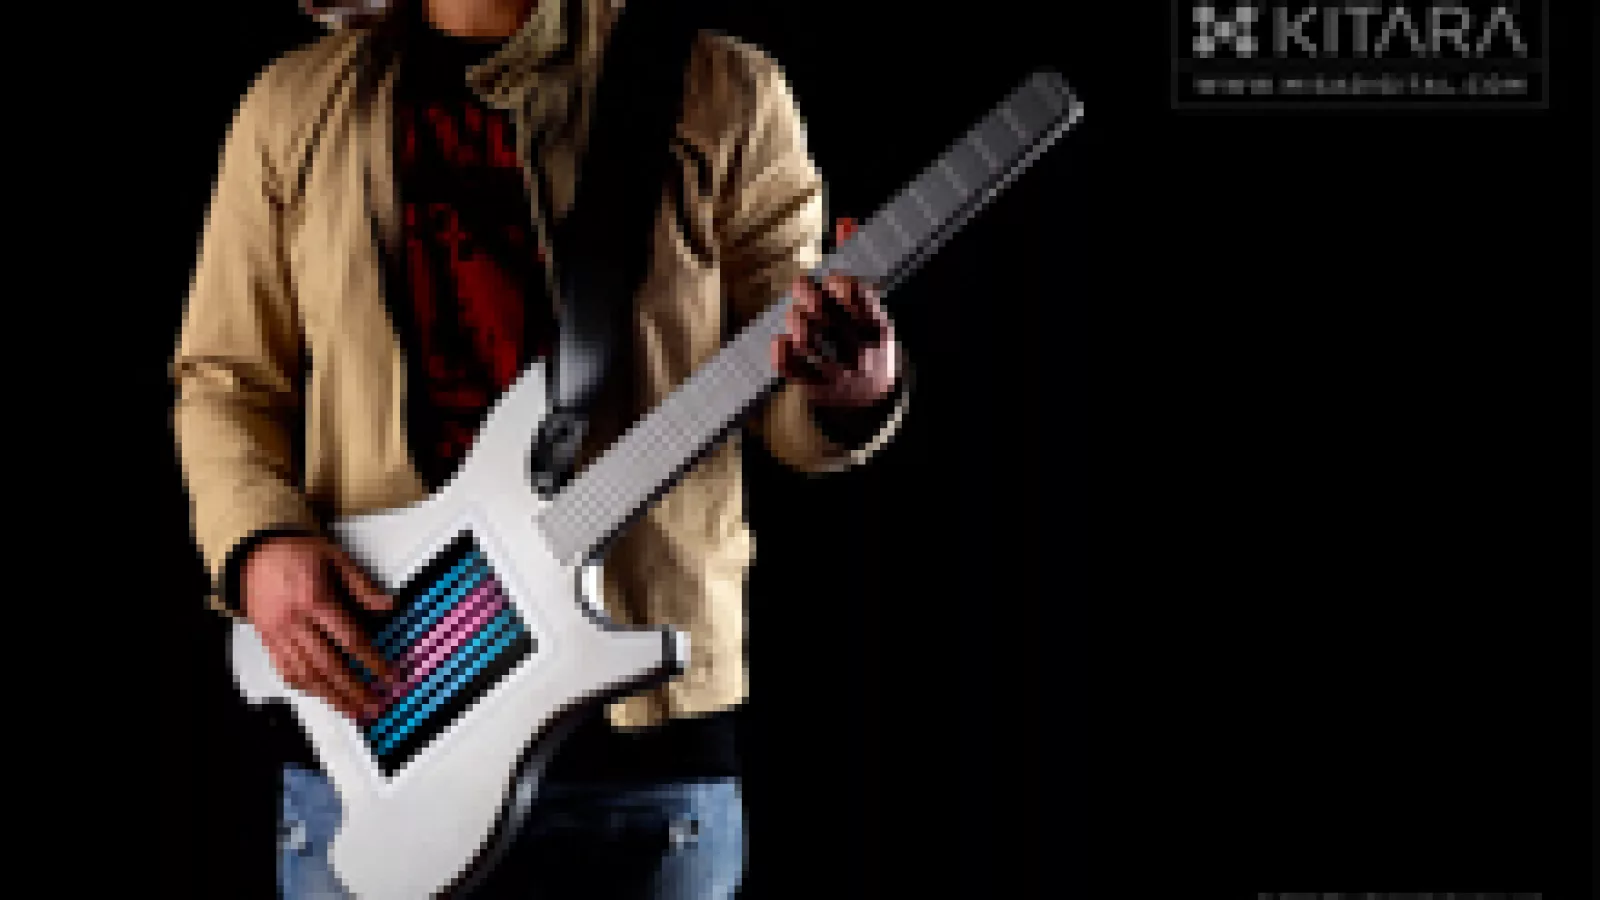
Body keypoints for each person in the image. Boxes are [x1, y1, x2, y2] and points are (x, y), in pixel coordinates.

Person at [170, 0, 910, 896]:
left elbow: (787, 389)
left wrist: (848, 394)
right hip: (382, 731)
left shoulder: (725, 89)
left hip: (640, 759)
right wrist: (258, 544)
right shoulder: (292, 106)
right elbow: (227, 378)